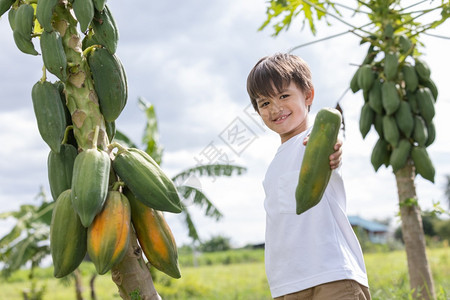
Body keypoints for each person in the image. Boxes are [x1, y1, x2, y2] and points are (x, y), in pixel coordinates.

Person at [246, 53, 371, 300]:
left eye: (283, 96)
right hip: (288, 284)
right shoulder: (273, 166)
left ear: (308, 95)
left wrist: (333, 149)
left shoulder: (315, 137)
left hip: (331, 276)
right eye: (265, 103)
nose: (276, 108)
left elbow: (331, 143)